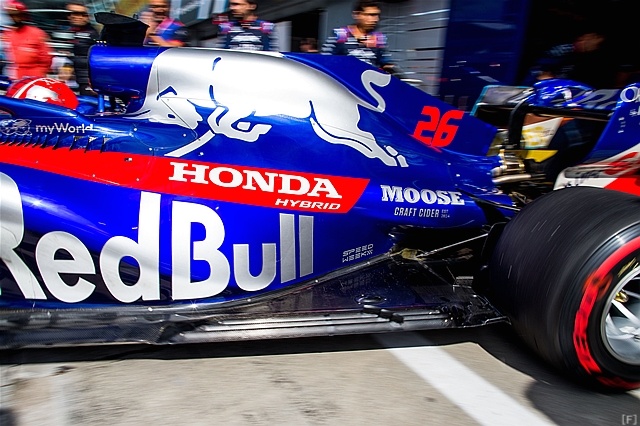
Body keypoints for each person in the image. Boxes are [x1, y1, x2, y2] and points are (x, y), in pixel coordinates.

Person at [525, 27, 617, 89]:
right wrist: (546, 78)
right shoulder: (564, 49)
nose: (595, 46)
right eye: (595, 40)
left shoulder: (585, 57)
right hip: (537, 88)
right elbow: (539, 69)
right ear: (587, 37)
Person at [321, 0, 394, 72]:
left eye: (377, 15)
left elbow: (386, 63)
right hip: (345, 77)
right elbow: (325, 60)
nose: (375, 19)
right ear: (357, 15)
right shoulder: (341, 34)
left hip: (368, 78)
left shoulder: (378, 38)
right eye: (370, 15)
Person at [1, 0, 52, 80]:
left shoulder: (37, 33)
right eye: (11, 15)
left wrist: (39, 76)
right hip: (13, 77)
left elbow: (46, 59)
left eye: (17, 15)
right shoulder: (7, 34)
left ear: (23, 15)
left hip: (33, 77)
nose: (14, 18)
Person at [65, 1, 100, 96]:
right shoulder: (67, 32)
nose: (78, 17)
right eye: (73, 13)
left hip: (88, 80)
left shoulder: (94, 34)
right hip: (73, 80)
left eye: (83, 14)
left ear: (88, 17)